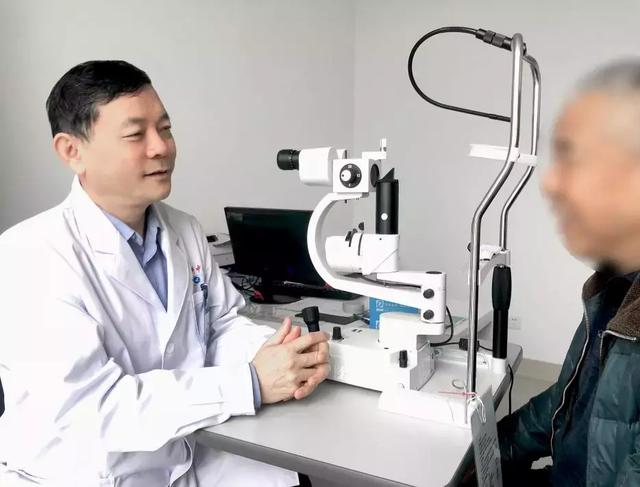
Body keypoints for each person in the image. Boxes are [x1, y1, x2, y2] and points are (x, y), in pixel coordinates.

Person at [0, 60, 330, 486]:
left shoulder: (183, 229)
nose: (161, 147)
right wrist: (249, 382)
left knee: (288, 476)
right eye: (135, 134)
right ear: (71, 151)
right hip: (88, 471)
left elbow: (221, 324)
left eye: (166, 128)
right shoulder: (30, 255)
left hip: (184, 451)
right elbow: (94, 411)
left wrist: (283, 355)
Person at [499, 59, 640, 486]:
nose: (550, 184)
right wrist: (490, 449)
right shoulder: (614, 290)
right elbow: (565, 400)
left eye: (574, 157)